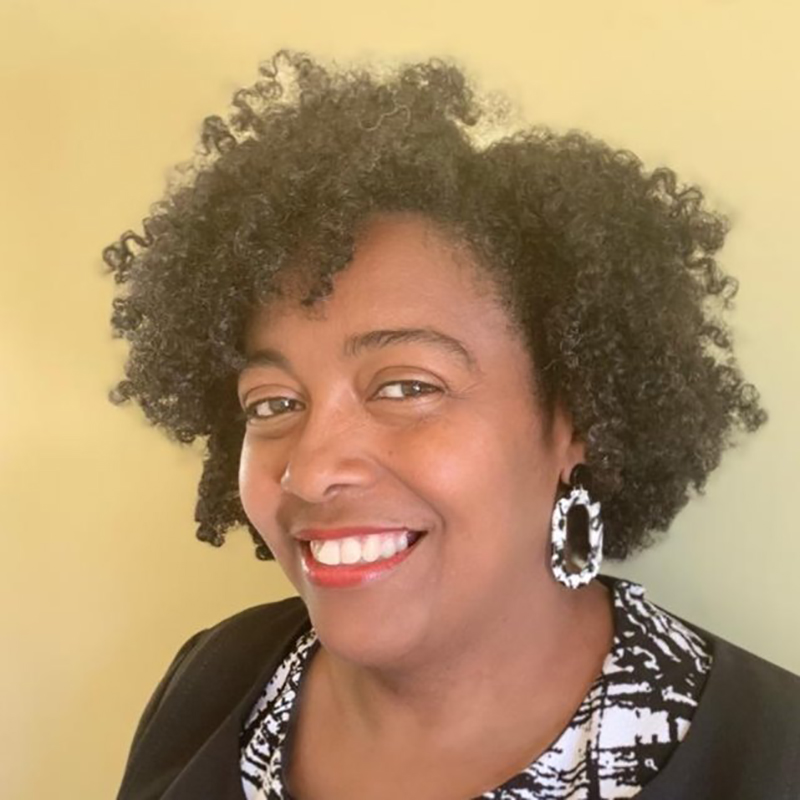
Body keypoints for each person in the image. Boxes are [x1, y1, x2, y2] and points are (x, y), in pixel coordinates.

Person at [106, 51, 800, 800]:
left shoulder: (769, 760)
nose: (310, 471)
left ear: (574, 417)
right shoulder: (214, 680)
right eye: (272, 403)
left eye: (407, 387)